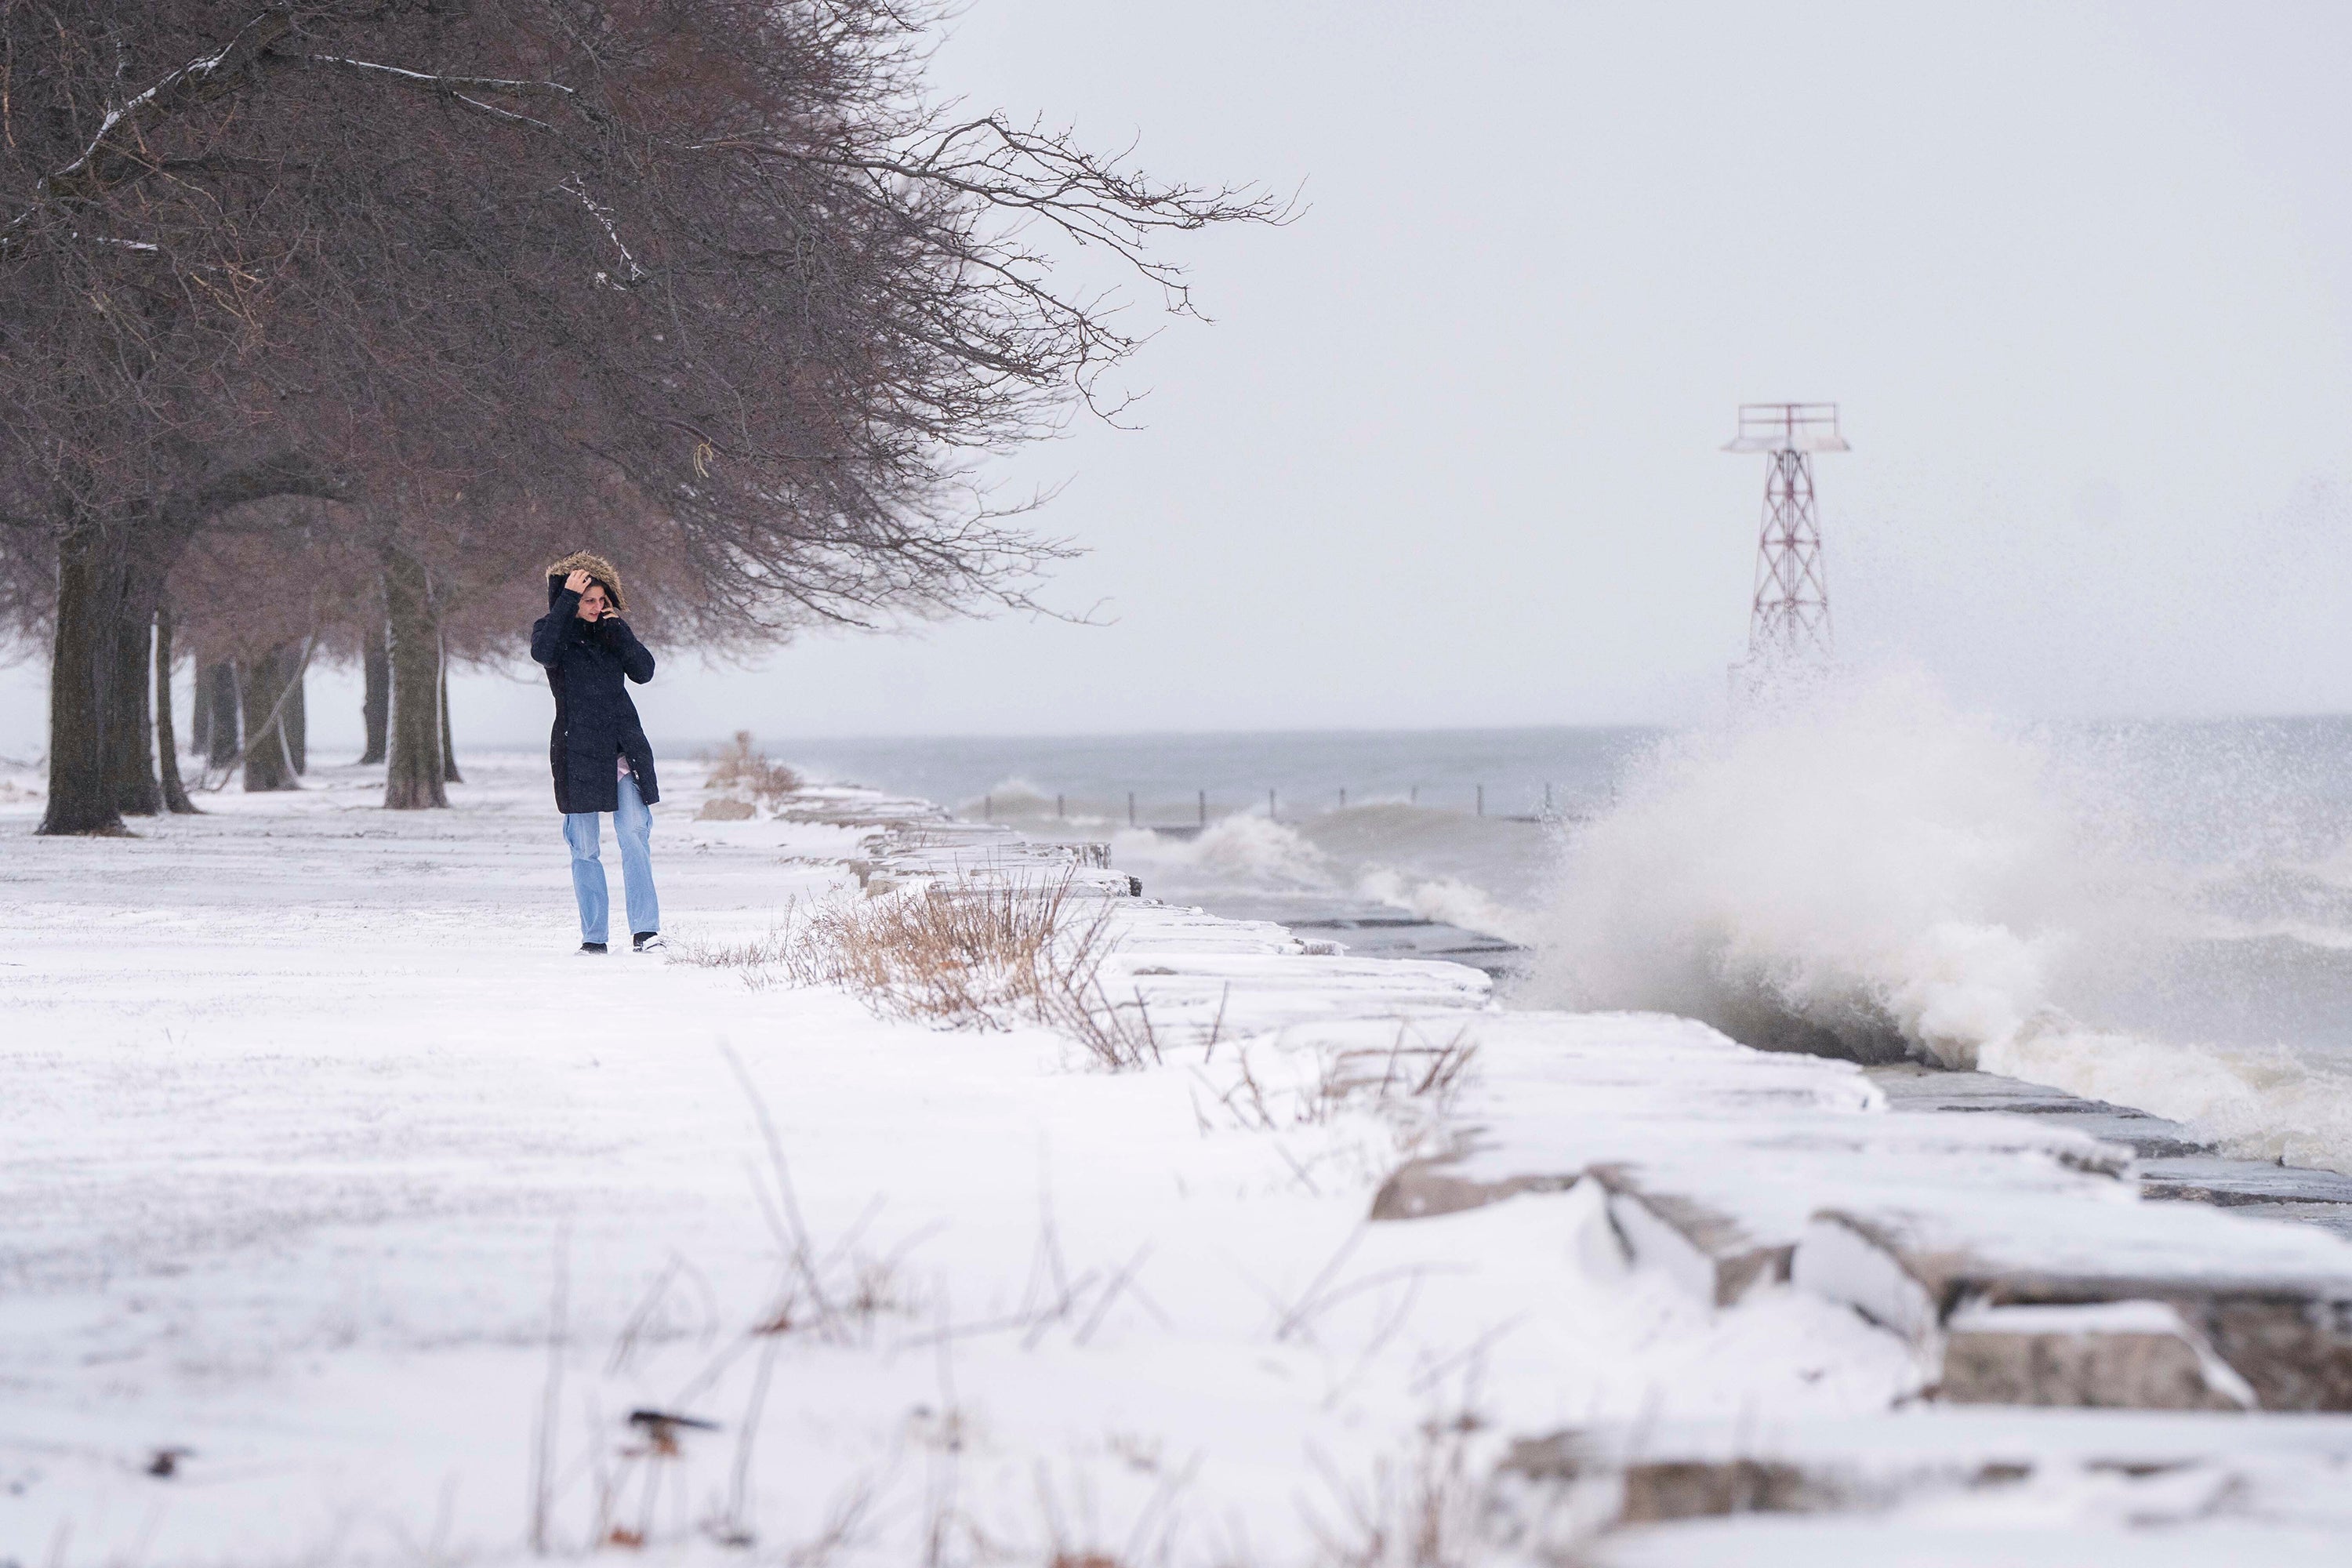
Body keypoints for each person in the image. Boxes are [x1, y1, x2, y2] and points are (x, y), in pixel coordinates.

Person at [530, 551, 664, 954]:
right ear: (570, 598)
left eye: (601, 599)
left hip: (623, 748)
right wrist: (567, 602)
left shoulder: (611, 631)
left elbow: (643, 672)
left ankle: (646, 931)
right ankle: (594, 938)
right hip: (577, 751)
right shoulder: (551, 631)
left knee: (634, 834)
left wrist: (620, 632)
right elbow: (545, 653)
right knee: (584, 847)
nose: (597, 606)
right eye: (588, 599)